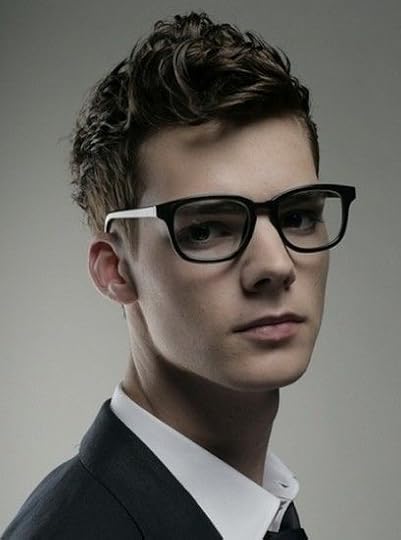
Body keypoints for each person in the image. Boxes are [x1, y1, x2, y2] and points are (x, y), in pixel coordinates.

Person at [3, 11, 356, 540]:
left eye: (299, 216)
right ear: (115, 269)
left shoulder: (261, 513)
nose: (276, 266)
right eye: (206, 229)